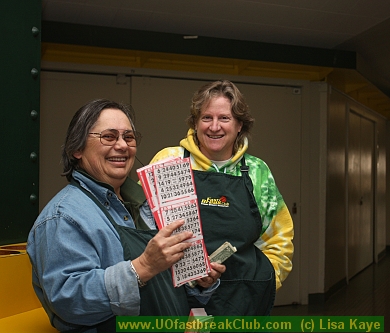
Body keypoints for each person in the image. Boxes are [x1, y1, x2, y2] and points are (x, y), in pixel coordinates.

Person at [27, 99, 224, 332]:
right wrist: (142, 266)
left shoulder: (147, 207)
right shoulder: (64, 217)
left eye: (128, 137)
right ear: (76, 149)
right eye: (108, 137)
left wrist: (197, 283)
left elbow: (165, 289)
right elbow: (67, 302)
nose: (122, 146)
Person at [149, 80, 294, 316]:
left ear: (239, 125)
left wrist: (264, 282)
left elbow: (279, 239)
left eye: (224, 118)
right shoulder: (171, 161)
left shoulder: (257, 171)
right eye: (206, 118)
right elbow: (139, 228)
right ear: (195, 123)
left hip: (243, 302)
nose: (214, 127)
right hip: (177, 302)